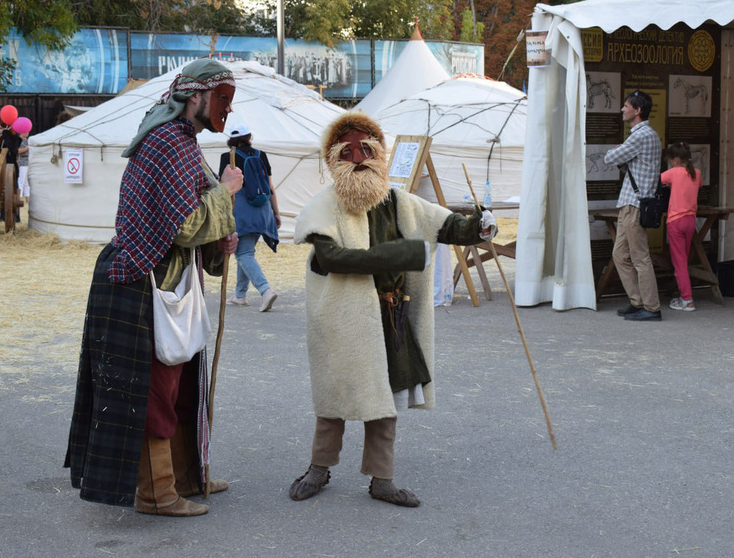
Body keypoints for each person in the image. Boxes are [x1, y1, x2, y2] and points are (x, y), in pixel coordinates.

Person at [288, 112, 497, 507]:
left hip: (391, 317)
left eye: (366, 149)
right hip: (342, 320)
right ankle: (319, 468)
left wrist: (480, 226)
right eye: (347, 151)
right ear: (333, 160)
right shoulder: (324, 206)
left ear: (380, 154)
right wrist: (403, 253)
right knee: (335, 395)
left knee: (384, 397)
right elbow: (333, 259)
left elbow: (449, 226)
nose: (358, 158)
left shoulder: (400, 201)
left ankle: (381, 479)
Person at [65, 59, 244, 517]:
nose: (226, 107)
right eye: (221, 97)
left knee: (181, 386)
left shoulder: (184, 141)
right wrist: (225, 194)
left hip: (169, 281)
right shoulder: (167, 141)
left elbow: (191, 222)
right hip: (140, 280)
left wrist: (221, 234)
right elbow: (184, 225)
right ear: (195, 95)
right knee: (155, 391)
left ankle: (185, 476)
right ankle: (156, 492)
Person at [604, 90, 663, 321]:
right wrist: (621, 151)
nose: (622, 109)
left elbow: (610, 158)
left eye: (626, 105)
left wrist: (617, 150)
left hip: (634, 204)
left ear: (637, 111)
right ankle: (637, 301)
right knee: (620, 254)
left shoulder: (640, 136)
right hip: (630, 202)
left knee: (640, 257)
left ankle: (651, 307)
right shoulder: (646, 135)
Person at [218, 122, 280, 311]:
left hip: (242, 211)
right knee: (245, 252)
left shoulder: (227, 157)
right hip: (263, 211)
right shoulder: (261, 155)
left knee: (243, 253)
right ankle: (240, 295)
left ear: (231, 139)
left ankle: (265, 290)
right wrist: (275, 213)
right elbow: (270, 187)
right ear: (249, 137)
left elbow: (224, 188)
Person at [661, 142, 701, 312]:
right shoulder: (696, 173)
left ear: (676, 159)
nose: (670, 163)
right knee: (683, 259)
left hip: (676, 221)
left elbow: (657, 181)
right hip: (691, 220)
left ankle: (687, 299)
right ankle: (685, 296)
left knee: (679, 263)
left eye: (670, 160)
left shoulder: (673, 172)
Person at [17, 132, 30, 202]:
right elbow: (17, 150)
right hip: (22, 161)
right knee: (21, 180)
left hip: (28, 161)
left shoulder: (27, 140)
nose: (27, 133)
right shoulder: (19, 140)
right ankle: (20, 197)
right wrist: (26, 149)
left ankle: (27, 198)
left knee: (26, 181)